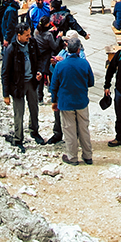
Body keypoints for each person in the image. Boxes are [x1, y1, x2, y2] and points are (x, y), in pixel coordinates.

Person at [50, 37, 94, 165]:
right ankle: (88, 156)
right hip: (81, 101)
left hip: (66, 102)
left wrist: (54, 101)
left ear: (67, 48)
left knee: (69, 131)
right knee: (84, 129)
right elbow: (91, 82)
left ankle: (72, 157)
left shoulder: (60, 65)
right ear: (78, 50)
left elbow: (54, 86)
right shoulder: (84, 63)